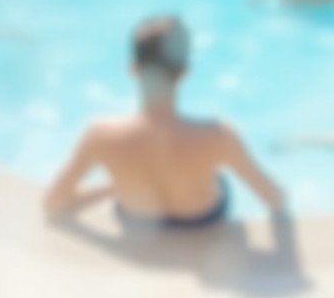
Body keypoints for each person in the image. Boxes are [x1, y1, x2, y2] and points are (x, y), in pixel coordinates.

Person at [43, 16, 285, 226]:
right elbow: (274, 198)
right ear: (185, 71)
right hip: (200, 223)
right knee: (219, 178)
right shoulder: (219, 135)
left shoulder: (99, 133)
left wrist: (113, 186)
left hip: (137, 221)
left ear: (133, 68)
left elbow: (53, 202)